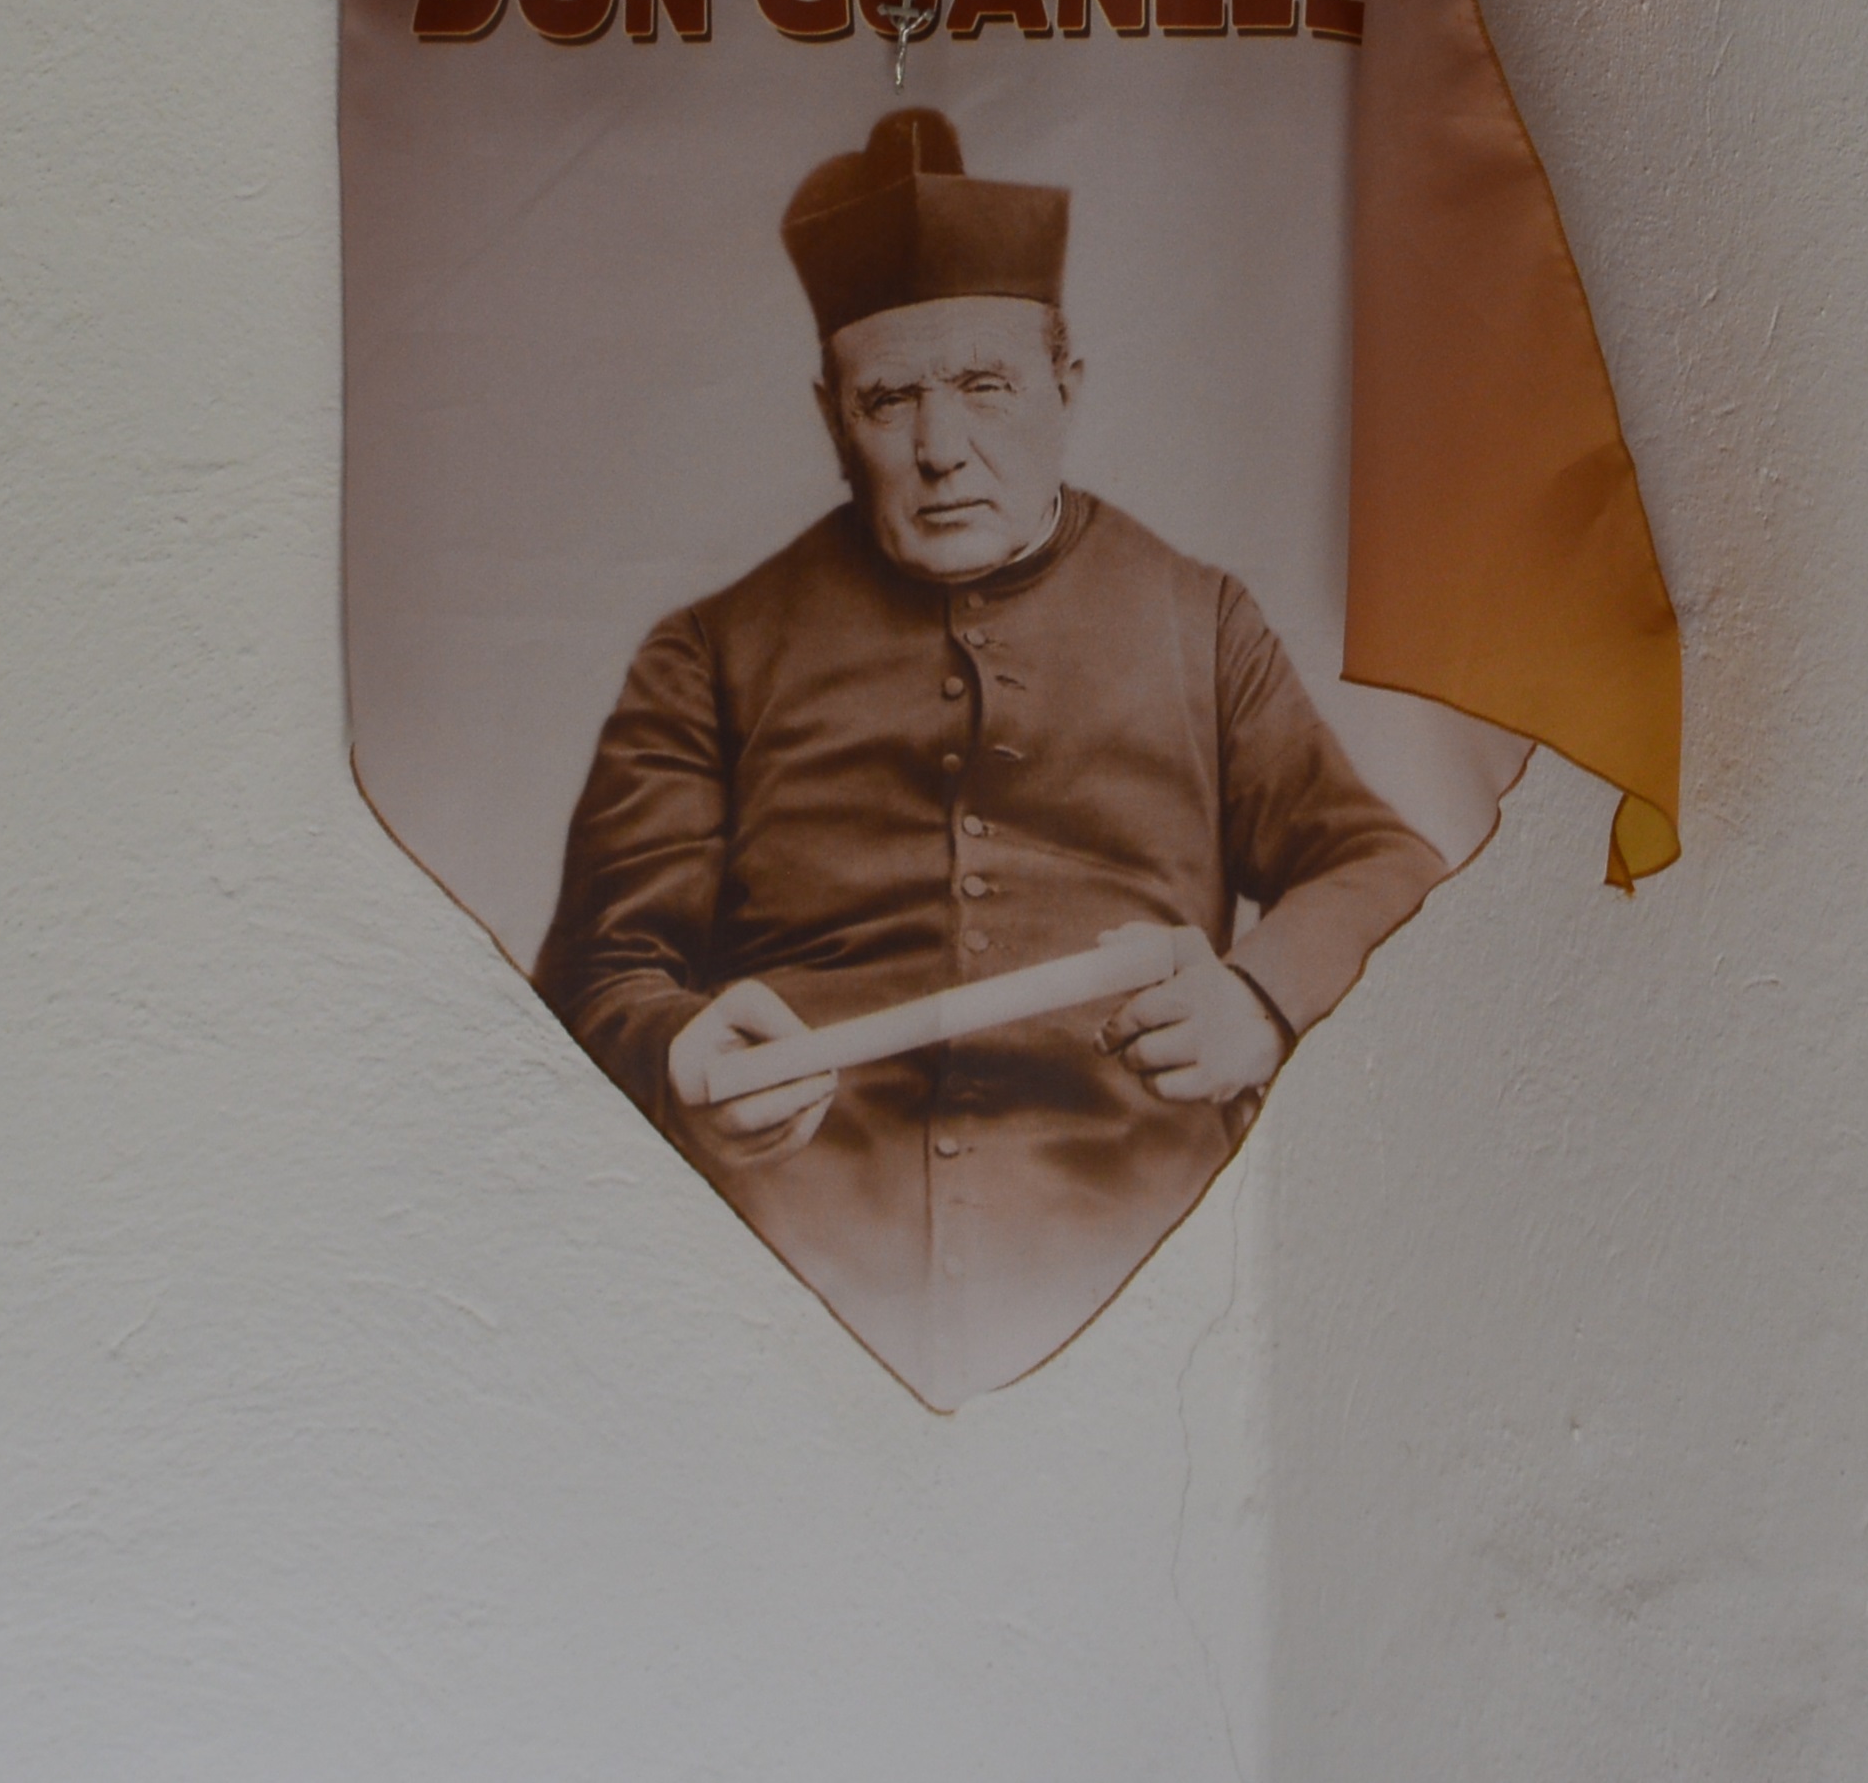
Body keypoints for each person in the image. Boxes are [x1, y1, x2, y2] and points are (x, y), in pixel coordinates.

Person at [536, 108, 1442, 1404]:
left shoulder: (1198, 623)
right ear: (831, 416)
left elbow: (1381, 863)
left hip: (1140, 1256)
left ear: (1067, 383)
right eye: (889, 398)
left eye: (985, 386)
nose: (939, 447)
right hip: (789, 1273)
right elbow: (594, 978)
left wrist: (1260, 999)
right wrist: (680, 1051)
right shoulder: (706, 654)